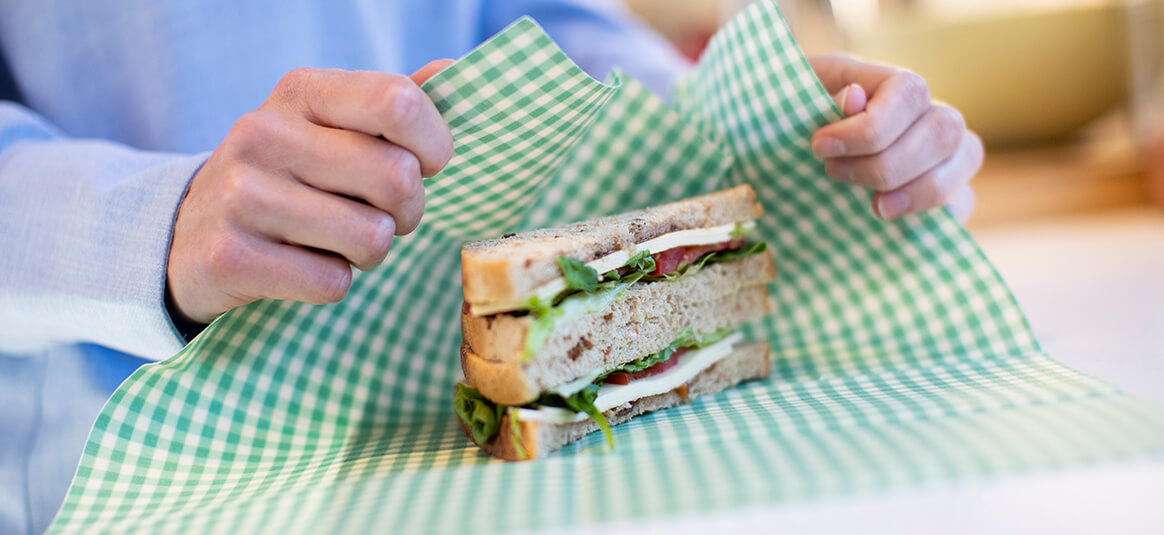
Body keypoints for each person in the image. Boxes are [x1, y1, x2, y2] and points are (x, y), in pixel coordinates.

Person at [0, 1, 983, 533]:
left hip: (464, 458)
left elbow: (534, 25)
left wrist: (742, 120)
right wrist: (156, 226)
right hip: (123, 476)